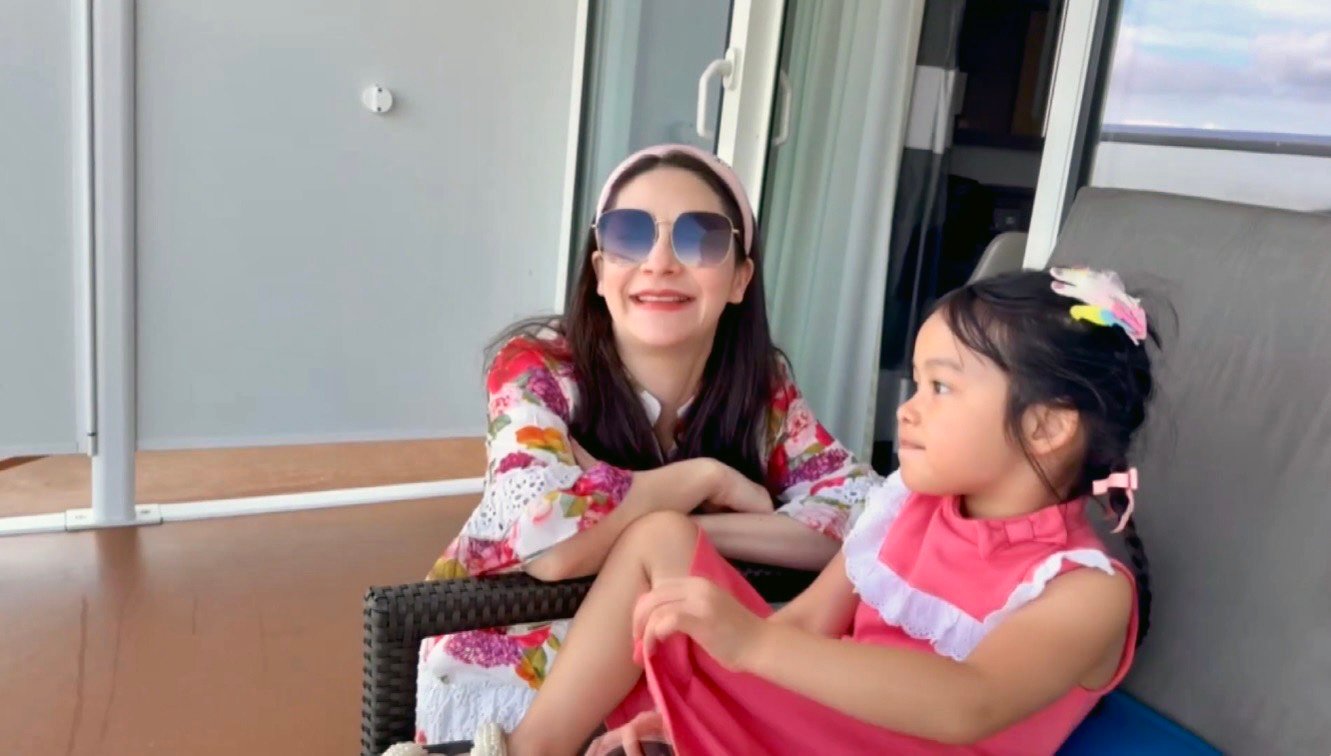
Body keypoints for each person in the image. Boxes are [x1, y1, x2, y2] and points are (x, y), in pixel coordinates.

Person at [475, 267, 1159, 755]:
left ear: (1045, 428)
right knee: (660, 539)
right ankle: (529, 750)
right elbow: (803, 623)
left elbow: (967, 702)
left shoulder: (1084, 590)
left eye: (942, 387)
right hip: (809, 728)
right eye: (917, 383)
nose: (908, 409)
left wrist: (754, 645)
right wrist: (698, 709)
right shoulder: (907, 509)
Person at [413, 144, 880, 743]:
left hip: (668, 681)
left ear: (740, 279)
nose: (659, 262)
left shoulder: (761, 391)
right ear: (599, 270)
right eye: (630, 235)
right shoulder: (535, 368)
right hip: (512, 684)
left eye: (700, 238)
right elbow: (549, 547)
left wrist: (670, 536)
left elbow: (868, 518)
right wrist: (703, 479)